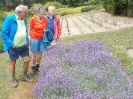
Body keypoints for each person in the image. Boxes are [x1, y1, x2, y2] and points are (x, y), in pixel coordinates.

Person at [1, 5, 33, 88]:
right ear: (19, 12)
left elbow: (24, 31)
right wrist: (11, 44)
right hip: (14, 47)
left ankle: (24, 76)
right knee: (13, 62)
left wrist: (27, 39)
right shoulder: (9, 19)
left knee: (27, 60)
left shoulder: (24, 19)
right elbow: (3, 33)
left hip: (24, 45)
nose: (27, 15)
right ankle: (13, 79)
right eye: (25, 13)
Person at [28, 7, 48, 75]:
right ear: (37, 13)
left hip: (42, 39)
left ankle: (38, 66)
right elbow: (30, 28)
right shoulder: (33, 19)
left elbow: (45, 27)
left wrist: (45, 30)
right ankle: (33, 67)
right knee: (34, 54)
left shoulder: (45, 19)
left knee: (40, 53)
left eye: (43, 14)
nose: (42, 16)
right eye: (41, 14)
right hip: (34, 38)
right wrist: (29, 38)